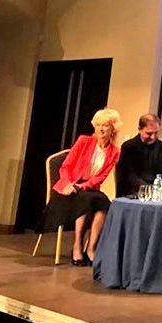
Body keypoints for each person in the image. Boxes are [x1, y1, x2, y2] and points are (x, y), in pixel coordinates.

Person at [40, 108, 123, 267]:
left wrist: (83, 186)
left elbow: (101, 176)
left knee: (104, 204)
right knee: (86, 201)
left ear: (113, 129)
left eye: (105, 125)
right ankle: (77, 245)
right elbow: (65, 167)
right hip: (68, 187)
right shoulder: (84, 141)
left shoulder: (114, 152)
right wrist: (68, 184)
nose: (101, 129)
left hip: (89, 188)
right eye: (98, 125)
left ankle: (91, 248)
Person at [115, 114, 162, 198]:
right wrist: (149, 189)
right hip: (134, 192)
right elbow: (129, 175)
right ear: (139, 129)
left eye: (156, 133)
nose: (153, 137)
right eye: (149, 133)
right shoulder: (129, 147)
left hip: (158, 192)